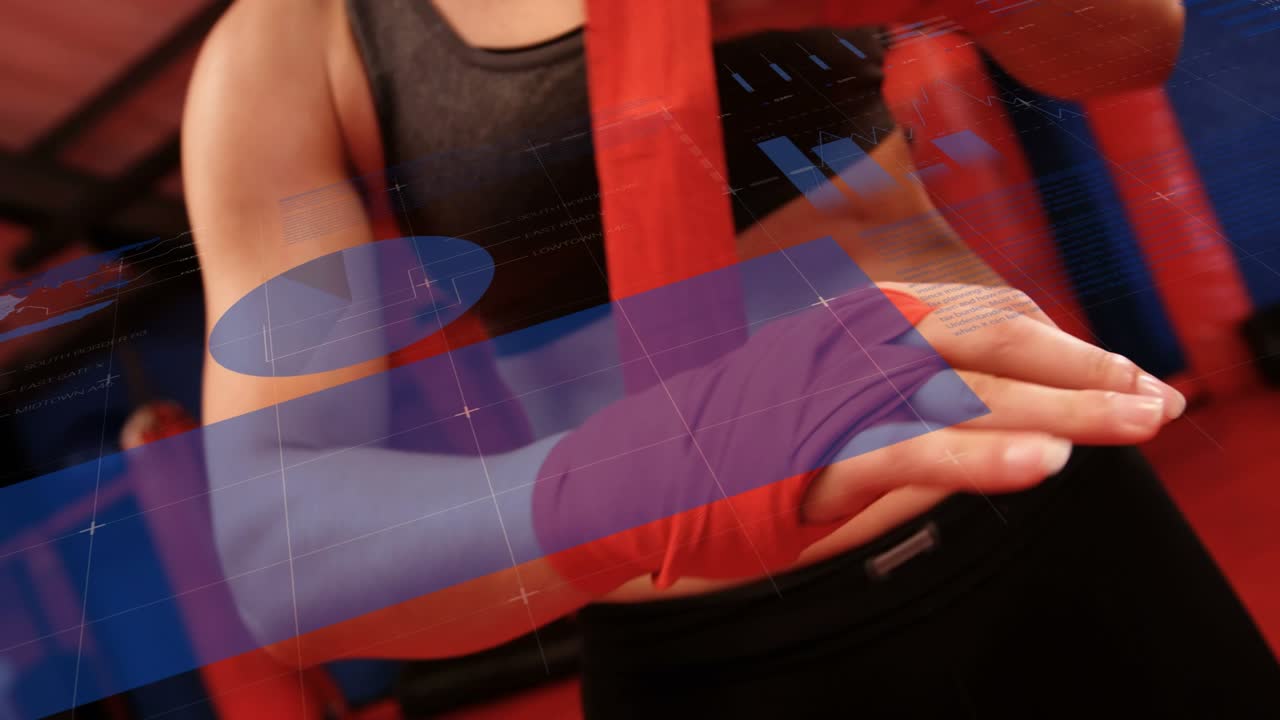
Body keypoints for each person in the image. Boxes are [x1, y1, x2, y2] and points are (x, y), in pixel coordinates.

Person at [180, 0, 1280, 717]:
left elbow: (1133, 44)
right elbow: (285, 551)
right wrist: (659, 472)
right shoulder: (290, 48)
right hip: (713, 644)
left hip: (1040, 504)